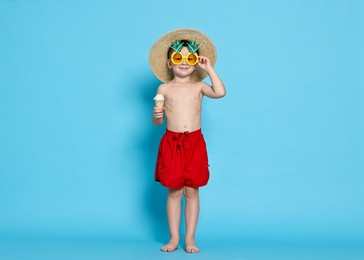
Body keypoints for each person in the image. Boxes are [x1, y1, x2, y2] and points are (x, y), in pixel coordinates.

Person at [149, 28, 226, 253]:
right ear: (169, 63)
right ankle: (174, 238)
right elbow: (156, 122)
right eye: (178, 58)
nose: (184, 62)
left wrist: (209, 68)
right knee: (173, 191)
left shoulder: (199, 87)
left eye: (190, 58)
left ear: (196, 62)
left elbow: (220, 92)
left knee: (192, 190)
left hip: (194, 142)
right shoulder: (164, 88)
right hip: (171, 142)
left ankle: (190, 239)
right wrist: (156, 117)